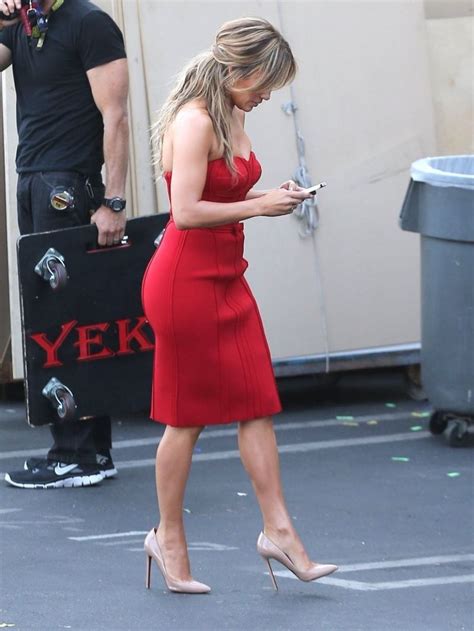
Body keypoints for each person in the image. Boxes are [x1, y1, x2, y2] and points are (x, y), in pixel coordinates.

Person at [141, 17, 337, 594]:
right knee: (187, 418)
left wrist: (272, 198)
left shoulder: (231, 112)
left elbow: (221, 194)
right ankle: (167, 538)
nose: (268, 95)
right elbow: (185, 212)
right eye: (264, 83)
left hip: (228, 275)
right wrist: (259, 209)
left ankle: (280, 533)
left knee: (257, 402)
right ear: (236, 70)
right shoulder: (197, 119)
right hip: (184, 282)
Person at [0, 0, 129, 488]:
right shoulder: (22, 25)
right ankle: (80, 451)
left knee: (72, 317)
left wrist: (113, 202)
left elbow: (114, 115)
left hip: (69, 186)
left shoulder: (89, 23)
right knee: (47, 317)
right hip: (31, 179)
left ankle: (81, 454)